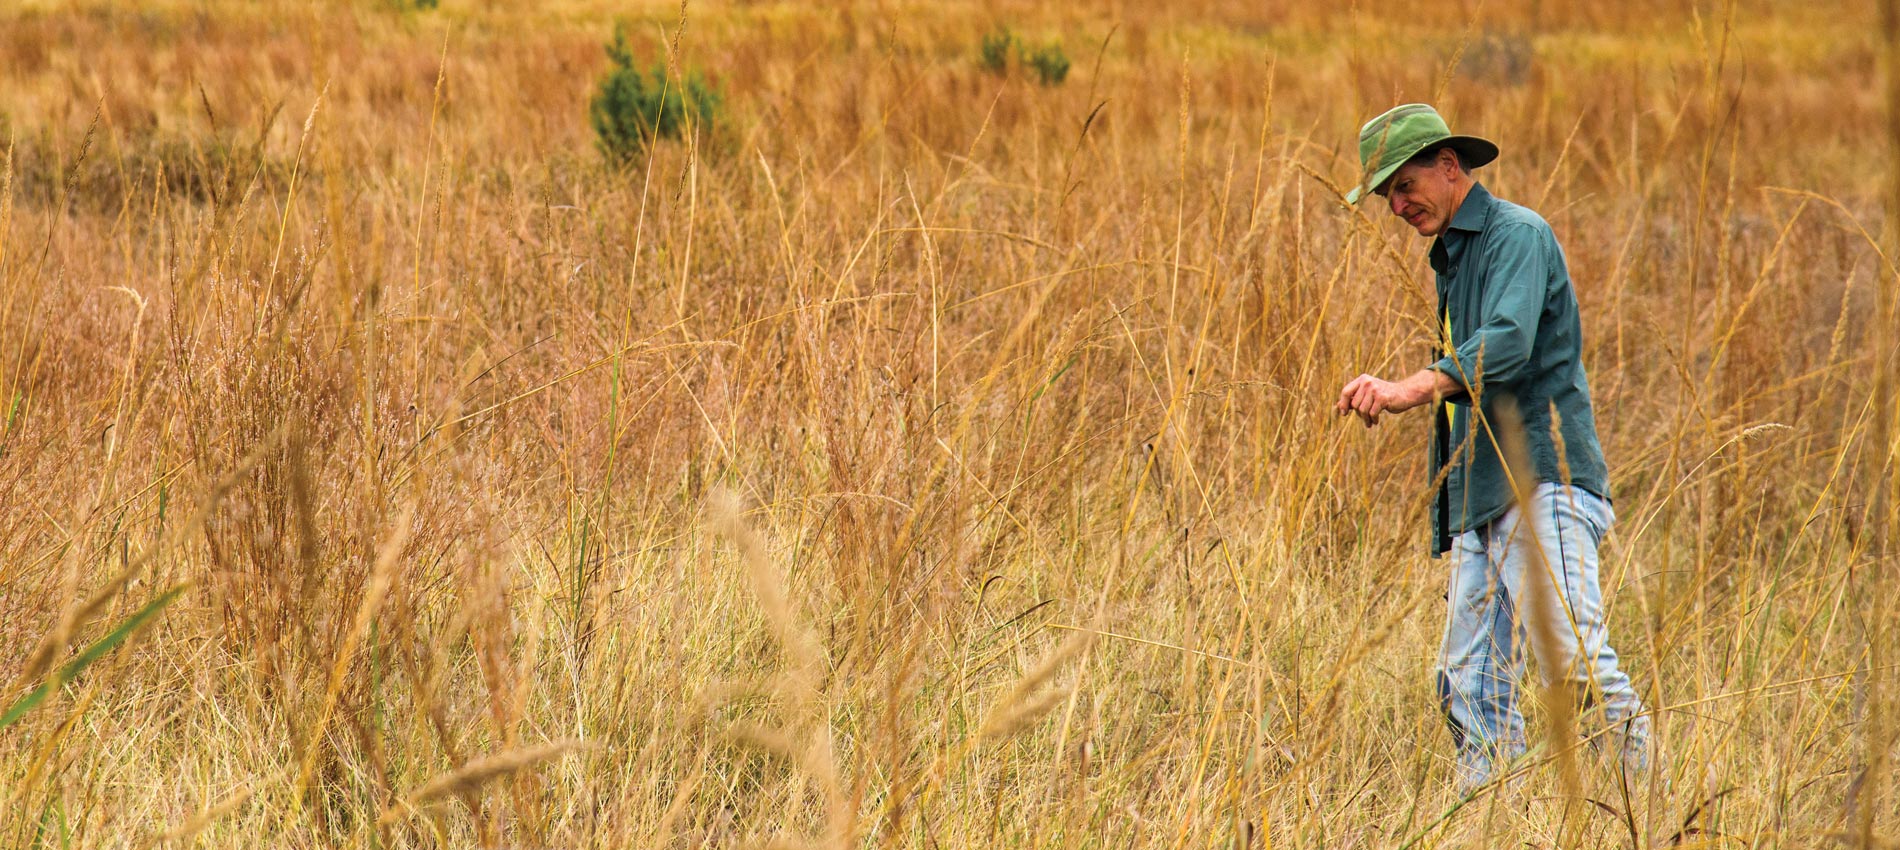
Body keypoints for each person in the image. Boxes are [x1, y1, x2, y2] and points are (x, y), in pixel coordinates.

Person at [1334, 103, 1651, 791]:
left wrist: (1406, 389)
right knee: (1469, 684)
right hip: (1484, 494)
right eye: (1387, 193)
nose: (1395, 204)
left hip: (1543, 481)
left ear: (1451, 167)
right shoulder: (1454, 257)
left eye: (1404, 184)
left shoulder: (1517, 234)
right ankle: (1490, 819)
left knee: (1570, 659)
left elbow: (1506, 346)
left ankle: (1647, 814)